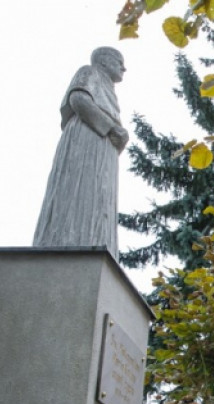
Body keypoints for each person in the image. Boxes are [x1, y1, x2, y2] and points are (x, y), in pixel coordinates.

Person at [33, 47, 129, 260]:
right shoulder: (89, 72)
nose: (124, 67)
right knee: (77, 189)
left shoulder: (109, 88)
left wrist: (118, 137)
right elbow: (79, 100)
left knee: (100, 197)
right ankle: (68, 240)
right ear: (103, 61)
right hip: (86, 136)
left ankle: (98, 243)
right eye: (118, 61)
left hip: (104, 145)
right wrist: (111, 128)